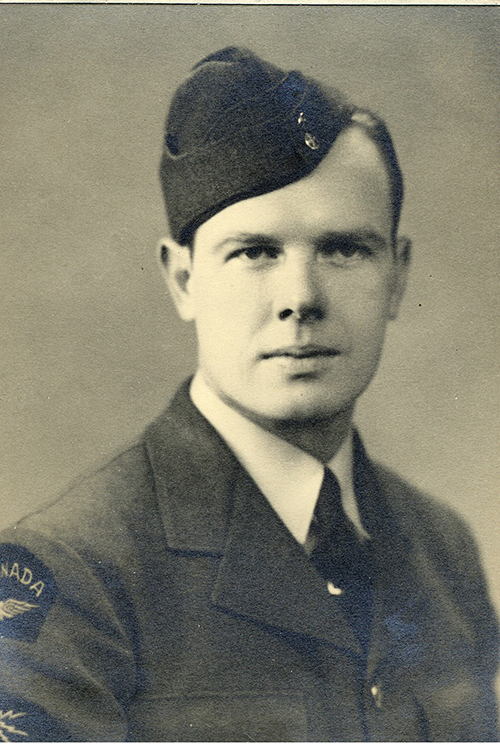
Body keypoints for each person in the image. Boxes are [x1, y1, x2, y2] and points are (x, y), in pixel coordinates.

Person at [0, 46, 498, 742]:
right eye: (255, 251)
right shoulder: (71, 573)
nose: (301, 298)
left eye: (345, 249)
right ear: (183, 279)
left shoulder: (441, 549)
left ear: (398, 273)